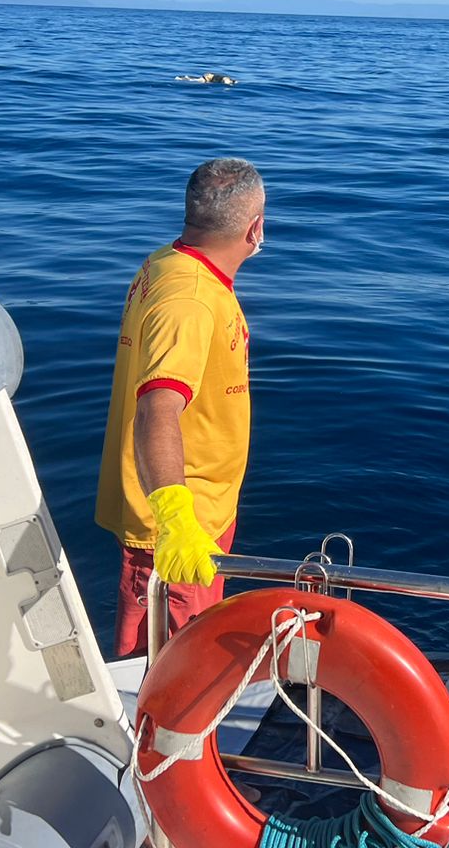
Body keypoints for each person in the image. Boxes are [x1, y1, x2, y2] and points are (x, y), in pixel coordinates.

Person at [95, 157, 265, 658]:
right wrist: (175, 520)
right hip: (175, 532)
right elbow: (157, 407)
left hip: (200, 513)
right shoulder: (190, 301)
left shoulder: (167, 262)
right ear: (254, 228)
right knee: (174, 663)